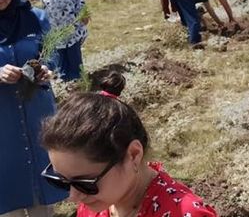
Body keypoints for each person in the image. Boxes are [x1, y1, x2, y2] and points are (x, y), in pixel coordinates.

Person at [39, 93, 218, 217]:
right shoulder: (97, 203)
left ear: (133, 155)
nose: (72, 197)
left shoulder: (184, 213)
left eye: (86, 184)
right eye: (60, 181)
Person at [0, 0, 68, 217]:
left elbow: (52, 54)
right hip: (3, 120)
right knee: (7, 189)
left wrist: (47, 70)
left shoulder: (36, 18)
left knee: (42, 192)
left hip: (36, 109)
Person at [168, 0, 237, 47]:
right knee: (194, 19)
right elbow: (224, 2)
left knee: (185, 18)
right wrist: (231, 18)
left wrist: (219, 23)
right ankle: (195, 43)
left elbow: (210, 9)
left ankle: (186, 37)